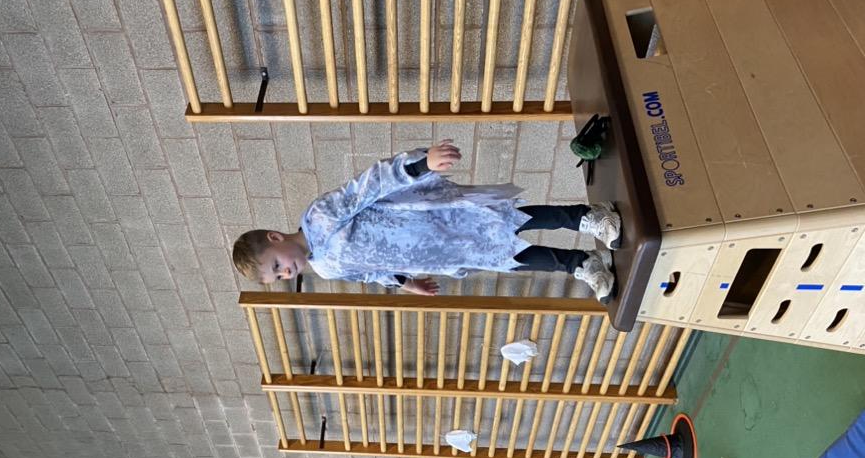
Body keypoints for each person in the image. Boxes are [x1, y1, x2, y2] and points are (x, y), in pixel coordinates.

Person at [231, 140, 622, 301]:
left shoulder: (319, 217)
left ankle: (589, 217)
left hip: (438, 219)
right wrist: (406, 282)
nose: (286, 273)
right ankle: (582, 264)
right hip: (440, 252)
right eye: (279, 277)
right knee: (513, 258)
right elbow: (372, 273)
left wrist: (421, 165)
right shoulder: (325, 268)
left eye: (277, 265)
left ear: (276, 237)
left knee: (513, 220)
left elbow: (368, 186)